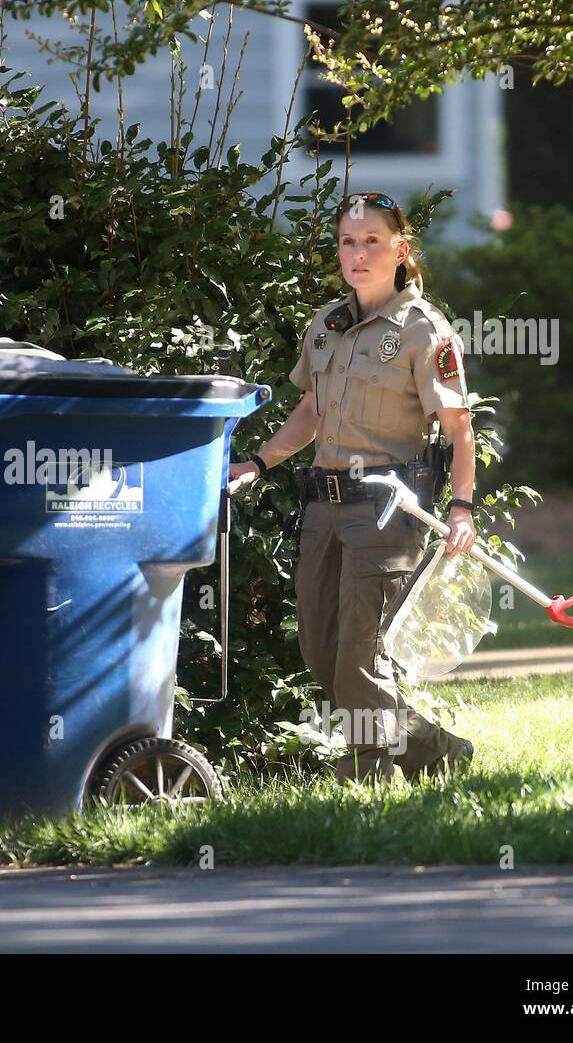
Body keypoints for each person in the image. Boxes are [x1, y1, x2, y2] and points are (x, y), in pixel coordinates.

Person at [228, 191, 477, 784]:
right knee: (321, 652)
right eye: (347, 242)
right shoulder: (326, 325)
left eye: (371, 241)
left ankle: (370, 772)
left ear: (400, 250)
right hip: (324, 508)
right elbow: (311, 412)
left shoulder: (424, 331)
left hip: (389, 512)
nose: (358, 253)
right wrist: (259, 463)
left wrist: (463, 508)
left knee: (360, 659)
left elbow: (458, 428)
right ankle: (430, 749)